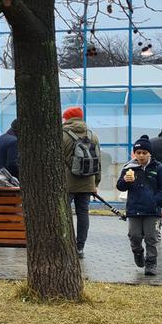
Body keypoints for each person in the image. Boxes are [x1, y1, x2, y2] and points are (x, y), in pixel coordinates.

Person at [117, 135, 162, 276]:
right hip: (134, 209)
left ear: (149, 153)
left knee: (151, 237)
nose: (141, 156)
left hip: (152, 211)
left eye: (144, 153)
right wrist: (125, 180)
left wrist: (157, 201)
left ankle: (151, 263)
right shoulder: (129, 168)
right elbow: (120, 187)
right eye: (138, 153)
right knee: (134, 236)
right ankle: (138, 252)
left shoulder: (159, 168)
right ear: (134, 153)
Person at [60, 107, 100, 258]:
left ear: (67, 118)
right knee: (83, 214)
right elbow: (99, 162)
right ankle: (80, 247)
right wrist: (96, 183)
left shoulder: (62, 135)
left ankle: (66, 244)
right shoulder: (92, 135)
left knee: (64, 214)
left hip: (67, 182)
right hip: (87, 181)